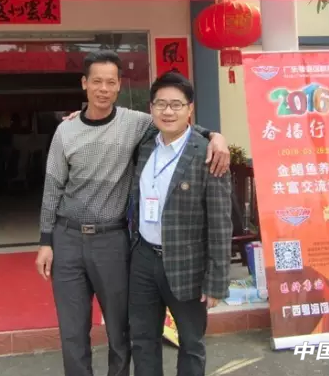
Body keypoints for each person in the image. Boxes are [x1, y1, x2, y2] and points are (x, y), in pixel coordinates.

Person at [35, 50, 230, 376]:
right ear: (84, 84)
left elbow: (178, 123)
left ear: (119, 86)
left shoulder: (138, 125)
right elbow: (52, 187)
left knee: (125, 331)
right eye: (96, 81)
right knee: (80, 331)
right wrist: (45, 240)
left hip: (116, 241)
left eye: (110, 82)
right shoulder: (71, 132)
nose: (103, 89)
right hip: (78, 240)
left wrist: (215, 136)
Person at [128, 71, 233, 376]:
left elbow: (220, 223)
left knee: (191, 342)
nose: (168, 111)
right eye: (161, 104)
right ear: (151, 108)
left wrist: (216, 280)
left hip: (188, 264)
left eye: (176, 104)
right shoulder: (145, 145)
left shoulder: (209, 155)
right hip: (143, 259)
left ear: (190, 109)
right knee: (143, 339)